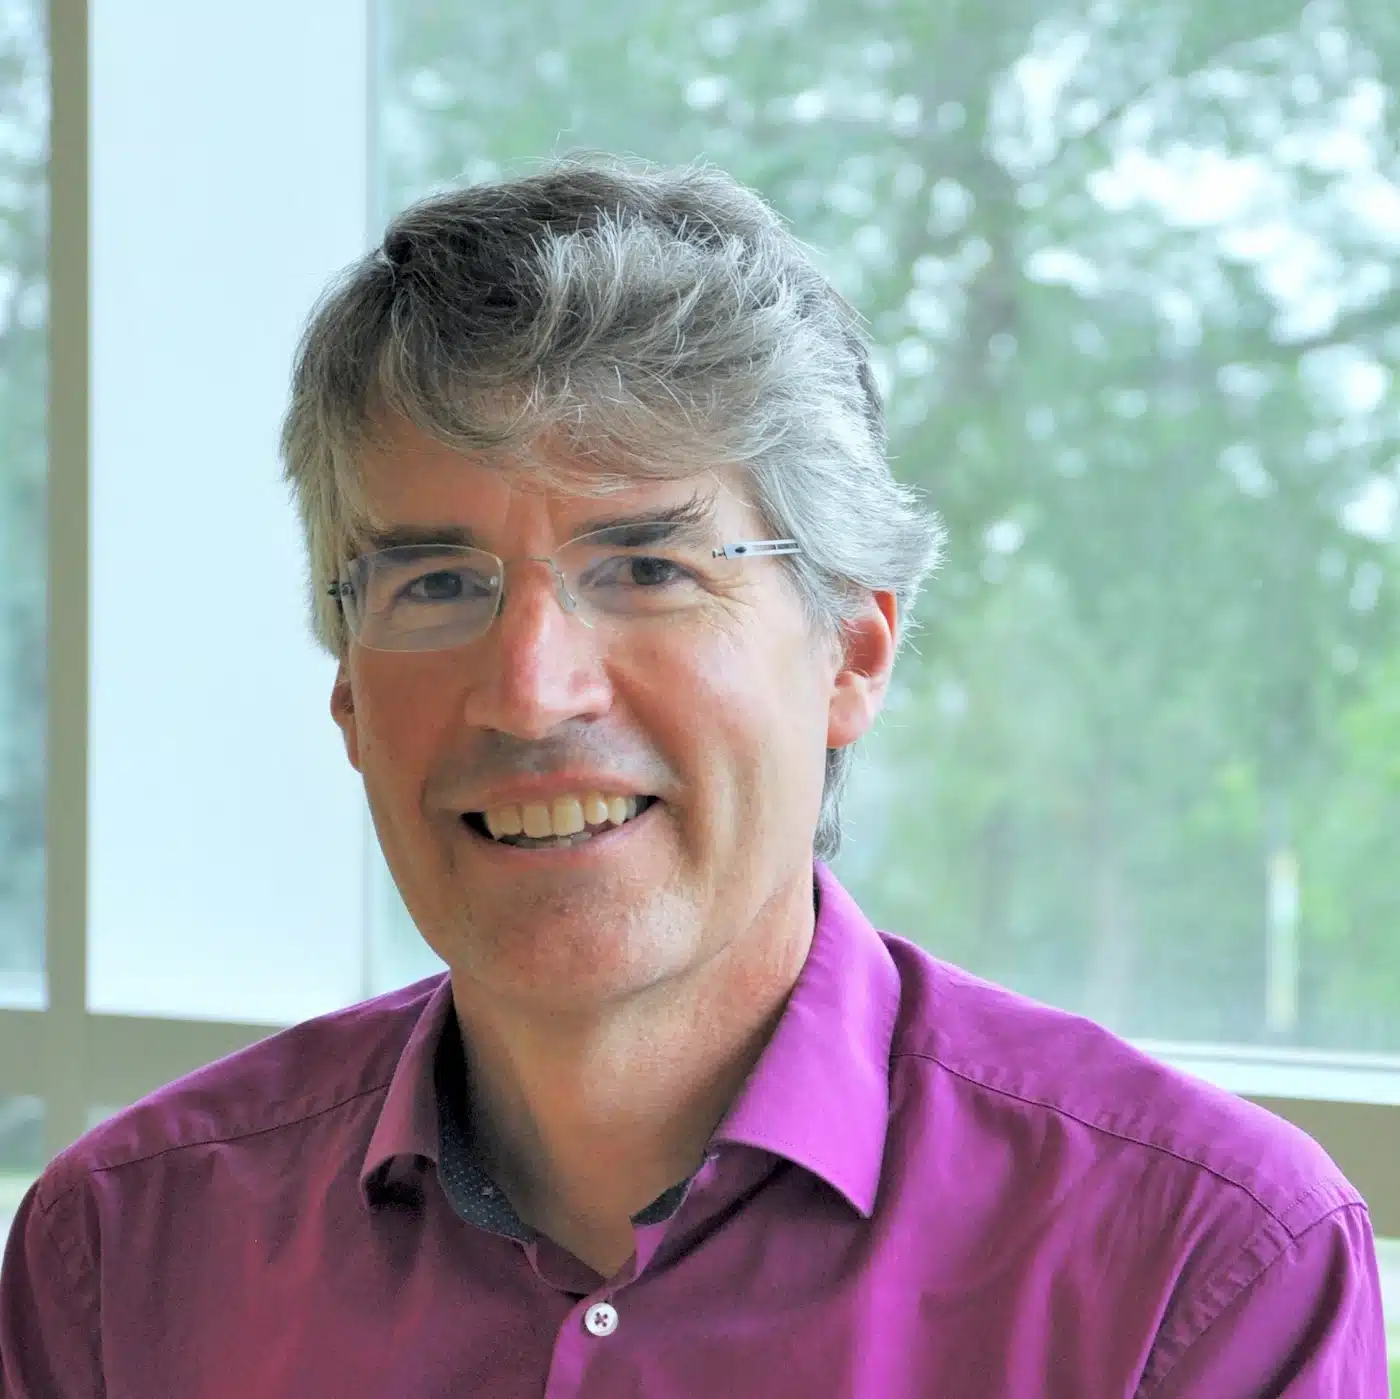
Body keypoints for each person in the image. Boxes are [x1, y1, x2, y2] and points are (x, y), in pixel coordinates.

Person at [0, 159, 1388, 1397]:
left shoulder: (1199, 1272)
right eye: (434, 582)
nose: (533, 687)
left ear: (850, 652)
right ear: (350, 688)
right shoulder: (125, 1257)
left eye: (649, 567)